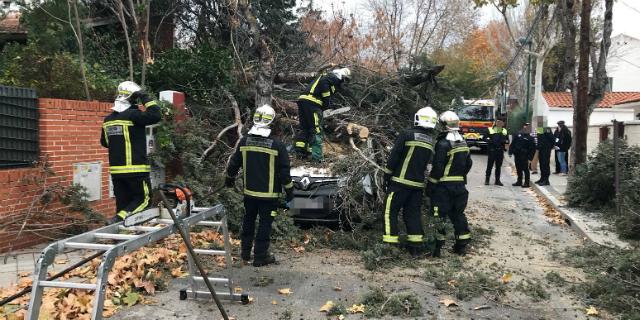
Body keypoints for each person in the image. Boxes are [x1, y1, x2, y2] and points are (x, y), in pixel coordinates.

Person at [226, 105, 294, 267]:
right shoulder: (277, 146)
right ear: (271, 122)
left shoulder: (244, 141)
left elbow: (234, 164)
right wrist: (290, 192)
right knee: (264, 224)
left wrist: (229, 179)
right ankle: (260, 257)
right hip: (269, 196)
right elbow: (284, 174)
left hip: (249, 194)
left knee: (248, 221)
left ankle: (245, 253)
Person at [101, 81, 161, 224]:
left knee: (123, 203)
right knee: (144, 200)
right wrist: (145, 97)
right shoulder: (133, 115)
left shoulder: (108, 120)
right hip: (136, 170)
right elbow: (155, 114)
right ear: (133, 98)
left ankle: (119, 234)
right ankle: (119, 218)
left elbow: (105, 142)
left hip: (116, 172)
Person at [382, 107, 438, 257]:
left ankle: (390, 245)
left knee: (389, 211)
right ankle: (415, 247)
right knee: (412, 214)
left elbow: (394, 156)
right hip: (417, 186)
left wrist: (386, 175)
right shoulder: (430, 141)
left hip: (400, 182)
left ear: (418, 118)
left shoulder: (407, 134)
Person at [427, 111, 473, 257]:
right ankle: (461, 246)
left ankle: (436, 249)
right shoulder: (463, 142)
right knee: (458, 215)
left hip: (443, 188)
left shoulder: (443, 144)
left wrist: (431, 185)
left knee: (438, 216)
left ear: (443, 125)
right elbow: (469, 163)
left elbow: (438, 167)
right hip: (460, 187)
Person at [294, 68, 351, 162]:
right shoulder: (332, 77)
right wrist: (327, 104)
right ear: (342, 75)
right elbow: (325, 89)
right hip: (312, 103)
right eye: (345, 79)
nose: (345, 82)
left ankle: (301, 153)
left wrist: (327, 106)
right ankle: (317, 158)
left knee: (305, 128)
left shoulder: (330, 78)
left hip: (304, 100)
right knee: (316, 130)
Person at [509, 123, 536, 188]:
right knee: (518, 168)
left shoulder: (530, 137)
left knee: (525, 169)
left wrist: (530, 158)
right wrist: (510, 152)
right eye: (525, 126)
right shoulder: (518, 134)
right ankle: (519, 181)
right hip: (517, 154)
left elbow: (533, 149)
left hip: (525, 155)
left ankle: (526, 183)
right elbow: (513, 144)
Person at [484, 119, 508, 186]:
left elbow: (506, 140)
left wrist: (505, 144)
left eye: (501, 122)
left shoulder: (504, 130)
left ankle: (497, 180)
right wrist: (491, 141)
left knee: (498, 166)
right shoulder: (490, 129)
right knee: (490, 166)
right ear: (496, 123)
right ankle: (487, 179)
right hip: (492, 150)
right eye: (498, 122)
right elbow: (484, 138)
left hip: (500, 151)